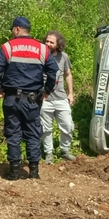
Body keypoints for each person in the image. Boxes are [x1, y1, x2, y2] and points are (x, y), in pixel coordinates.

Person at [0, 17, 58, 180]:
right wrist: (48, 90)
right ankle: (33, 172)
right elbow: (55, 74)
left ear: (17, 29)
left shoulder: (7, 47)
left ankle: (14, 172)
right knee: (33, 132)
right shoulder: (42, 49)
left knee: (13, 133)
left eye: (13, 29)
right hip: (32, 100)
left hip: (12, 99)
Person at [40, 30, 76, 163]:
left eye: (51, 42)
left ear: (58, 44)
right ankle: (48, 153)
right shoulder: (40, 56)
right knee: (45, 128)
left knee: (67, 125)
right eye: (47, 41)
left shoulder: (63, 57)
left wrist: (70, 93)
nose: (48, 44)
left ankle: (64, 150)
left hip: (61, 97)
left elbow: (68, 75)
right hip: (45, 99)